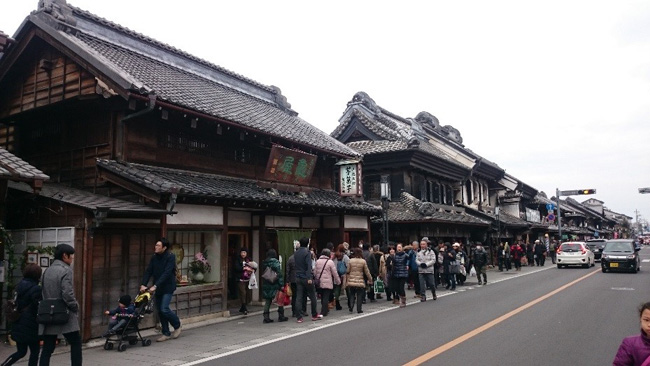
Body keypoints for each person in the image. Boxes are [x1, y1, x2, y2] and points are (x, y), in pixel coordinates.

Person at [39, 244, 82, 366]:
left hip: (49, 313)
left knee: (48, 347)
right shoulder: (66, 270)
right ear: (65, 255)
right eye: (71, 257)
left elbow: (43, 291)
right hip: (64, 313)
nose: (72, 259)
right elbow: (67, 294)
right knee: (75, 342)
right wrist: (75, 306)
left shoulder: (47, 270)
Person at [140, 238, 181, 342]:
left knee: (164, 308)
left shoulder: (170, 257)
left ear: (164, 247)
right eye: (156, 245)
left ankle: (177, 325)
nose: (156, 247)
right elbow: (149, 271)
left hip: (167, 286)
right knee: (160, 311)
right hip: (157, 287)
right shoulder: (154, 257)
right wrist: (143, 284)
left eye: (158, 246)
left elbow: (167, 273)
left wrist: (155, 286)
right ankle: (166, 333)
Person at [2, 264, 42, 366]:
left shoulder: (19, 286)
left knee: (21, 352)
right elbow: (38, 305)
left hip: (18, 321)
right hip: (30, 324)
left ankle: (5, 364)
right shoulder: (36, 289)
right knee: (34, 351)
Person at [294, 237, 321, 323]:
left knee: (299, 296)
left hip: (298, 277)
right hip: (306, 277)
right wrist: (309, 277)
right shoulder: (307, 253)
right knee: (312, 295)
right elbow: (308, 266)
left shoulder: (296, 253)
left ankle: (299, 317)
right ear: (307, 244)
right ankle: (314, 314)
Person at [261, 249, 288, 323]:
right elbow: (279, 274)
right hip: (275, 283)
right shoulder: (276, 262)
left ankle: (266, 317)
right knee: (280, 299)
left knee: (268, 300)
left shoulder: (264, 262)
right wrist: (281, 284)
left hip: (267, 282)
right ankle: (281, 315)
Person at [313, 248, 340, 317]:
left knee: (322, 297)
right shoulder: (330, 262)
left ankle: (324, 309)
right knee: (326, 297)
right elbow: (335, 273)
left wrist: (317, 279)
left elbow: (315, 272)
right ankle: (324, 311)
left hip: (319, 282)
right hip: (328, 282)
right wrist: (338, 281)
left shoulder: (317, 261)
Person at [345, 248, 372, 313]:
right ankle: (359, 309)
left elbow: (348, 270)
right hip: (360, 280)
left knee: (352, 294)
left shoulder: (350, 261)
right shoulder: (363, 261)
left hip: (351, 280)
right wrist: (370, 279)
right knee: (359, 295)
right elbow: (367, 271)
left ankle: (351, 306)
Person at [233, 248, 253, 315]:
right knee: (243, 292)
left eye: (244, 253)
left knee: (248, 293)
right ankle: (244, 307)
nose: (243, 254)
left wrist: (251, 270)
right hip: (240, 278)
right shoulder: (237, 259)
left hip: (247, 278)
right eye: (242, 252)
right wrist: (243, 268)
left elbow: (253, 267)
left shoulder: (249, 259)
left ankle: (243, 306)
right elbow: (236, 267)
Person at [391, 243, 410, 307]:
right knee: (397, 287)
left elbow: (408, 260)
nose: (399, 248)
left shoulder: (405, 255)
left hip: (403, 273)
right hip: (396, 273)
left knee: (401, 287)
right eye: (398, 247)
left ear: (402, 248)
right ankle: (400, 297)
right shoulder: (394, 255)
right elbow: (392, 263)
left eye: (400, 247)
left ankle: (403, 301)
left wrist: (407, 265)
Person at [333, 244, 350, 310]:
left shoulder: (335, 256)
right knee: (347, 288)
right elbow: (348, 265)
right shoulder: (345, 256)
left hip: (337, 274)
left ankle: (337, 303)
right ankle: (349, 302)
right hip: (344, 275)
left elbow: (333, 265)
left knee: (337, 289)